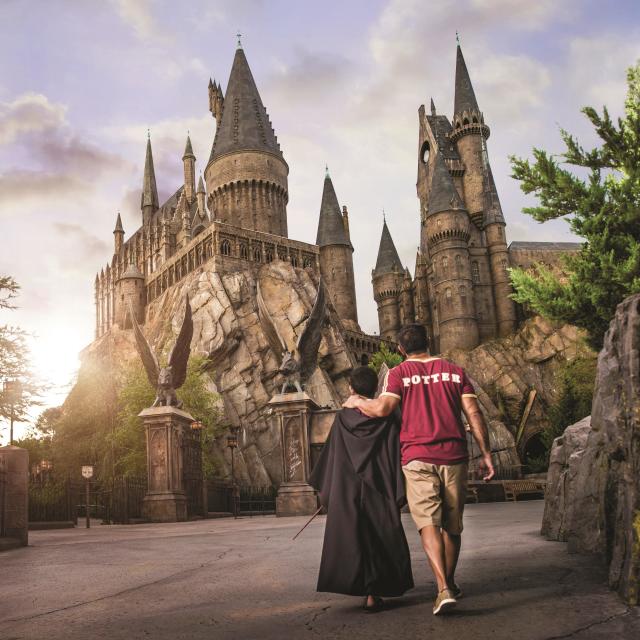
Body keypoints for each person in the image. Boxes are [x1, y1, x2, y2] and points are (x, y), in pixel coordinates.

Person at [344, 324, 495, 616]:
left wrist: (357, 402)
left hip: (417, 458)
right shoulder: (455, 372)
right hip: (455, 455)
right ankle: (449, 581)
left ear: (401, 349)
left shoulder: (398, 374)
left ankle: (442, 589)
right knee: (453, 526)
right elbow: (474, 413)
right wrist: (486, 453)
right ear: (429, 342)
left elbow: (383, 409)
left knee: (429, 524)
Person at [309, 366, 414, 612]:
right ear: (374, 389)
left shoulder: (343, 418)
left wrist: (328, 491)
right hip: (379, 484)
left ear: (352, 389)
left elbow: (332, 457)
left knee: (355, 537)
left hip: (349, 488)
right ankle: (375, 590)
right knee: (379, 534)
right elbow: (395, 450)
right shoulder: (386, 416)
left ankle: (368, 591)